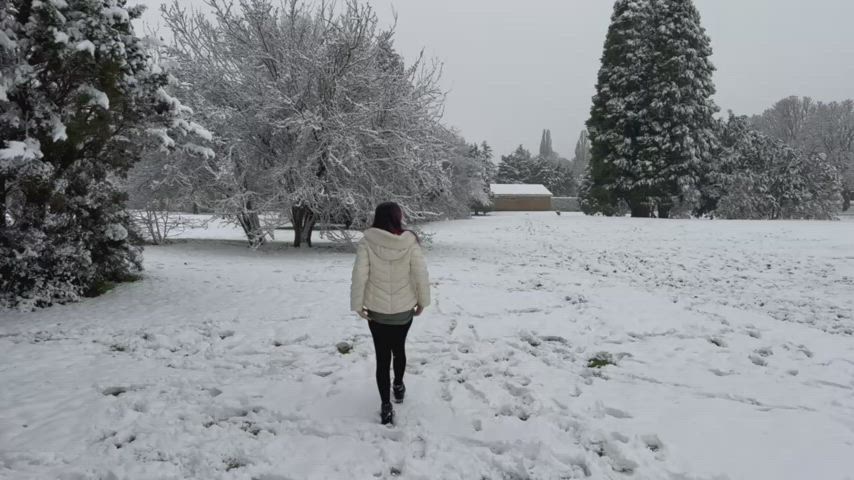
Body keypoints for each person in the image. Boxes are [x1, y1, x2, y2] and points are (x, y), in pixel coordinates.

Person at [350, 202, 430, 425]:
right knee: (399, 349)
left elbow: (359, 275)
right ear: (398, 217)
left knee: (382, 358)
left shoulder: (367, 242)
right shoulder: (409, 241)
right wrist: (423, 301)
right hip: (403, 310)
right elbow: (420, 273)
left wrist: (358, 304)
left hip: (377, 312)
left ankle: (385, 404)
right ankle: (399, 385)